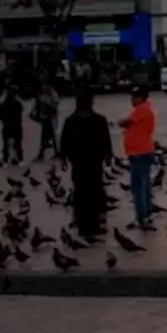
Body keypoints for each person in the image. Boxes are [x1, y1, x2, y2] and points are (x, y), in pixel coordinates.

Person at [59, 89, 112, 240]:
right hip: (94, 162)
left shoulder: (71, 120)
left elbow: (65, 141)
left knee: (80, 192)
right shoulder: (99, 120)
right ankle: (94, 224)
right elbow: (105, 140)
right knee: (94, 190)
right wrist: (107, 155)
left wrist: (63, 158)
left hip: (78, 162)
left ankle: (83, 225)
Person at [119, 84, 157, 230]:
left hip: (139, 152)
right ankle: (147, 213)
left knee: (138, 187)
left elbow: (126, 122)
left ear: (141, 98)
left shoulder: (142, 109)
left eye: (135, 97)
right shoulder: (144, 110)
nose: (132, 99)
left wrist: (119, 123)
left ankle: (141, 216)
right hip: (143, 150)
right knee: (145, 184)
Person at [0, 88, 23, 166]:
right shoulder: (18, 104)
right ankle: (18, 158)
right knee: (18, 143)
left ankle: (6, 158)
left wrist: (4, 119)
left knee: (6, 143)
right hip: (16, 125)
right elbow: (21, 110)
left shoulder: (3, 104)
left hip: (7, 124)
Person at [34, 82, 59, 159]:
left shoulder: (52, 95)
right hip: (45, 118)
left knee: (50, 136)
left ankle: (54, 152)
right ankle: (43, 152)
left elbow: (54, 106)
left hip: (50, 118)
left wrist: (45, 101)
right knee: (46, 136)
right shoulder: (44, 95)